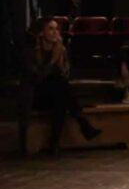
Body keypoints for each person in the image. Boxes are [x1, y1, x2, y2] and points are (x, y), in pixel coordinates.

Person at [18, 17, 101, 155]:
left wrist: (60, 57)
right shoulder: (30, 51)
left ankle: (55, 143)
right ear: (41, 32)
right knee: (59, 88)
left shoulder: (60, 49)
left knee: (60, 93)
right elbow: (36, 78)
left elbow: (66, 76)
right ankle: (81, 123)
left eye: (56, 29)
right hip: (34, 96)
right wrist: (53, 61)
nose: (55, 32)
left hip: (55, 95)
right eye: (50, 29)